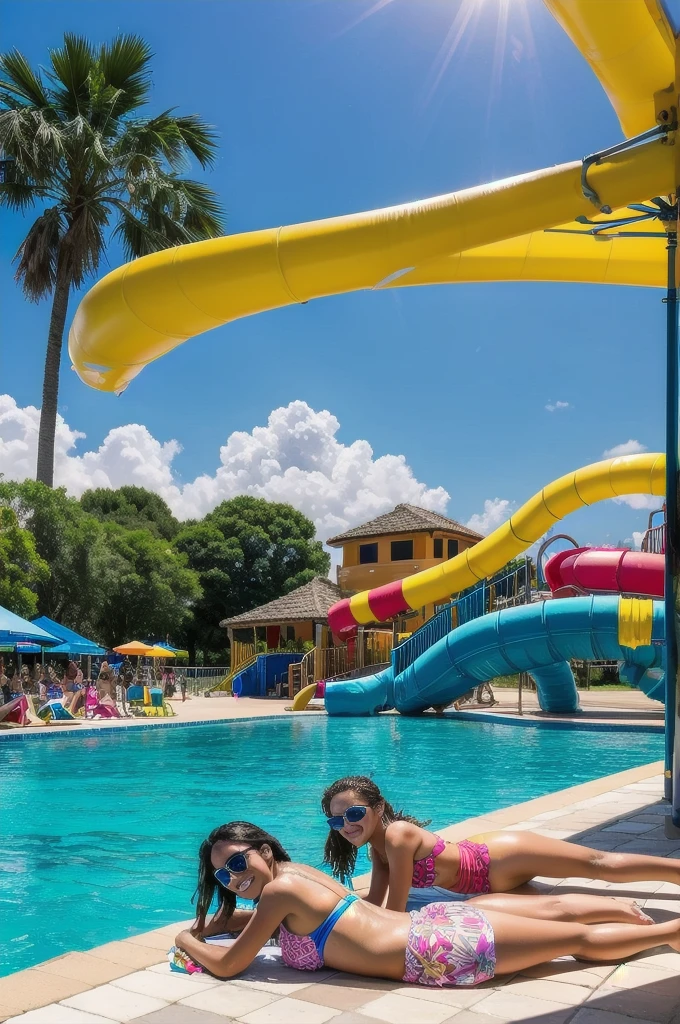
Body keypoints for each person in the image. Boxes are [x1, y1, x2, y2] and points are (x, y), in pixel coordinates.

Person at [172, 821, 679, 987]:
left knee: (577, 942)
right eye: (222, 874)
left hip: (434, 948)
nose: (233, 879)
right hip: (428, 923)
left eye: (237, 865)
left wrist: (185, 937)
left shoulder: (279, 894)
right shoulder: (292, 876)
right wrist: (223, 917)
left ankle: (667, 932)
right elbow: (258, 921)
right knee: (559, 915)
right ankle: (619, 908)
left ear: (262, 852)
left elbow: (230, 967)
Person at [321, 776, 680, 912]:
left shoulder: (397, 835)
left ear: (378, 807)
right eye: (337, 821)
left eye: (354, 813)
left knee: (598, 864)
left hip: (500, 857)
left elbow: (394, 910)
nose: (347, 826)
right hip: (483, 885)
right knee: (556, 907)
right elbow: (373, 902)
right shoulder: (376, 849)